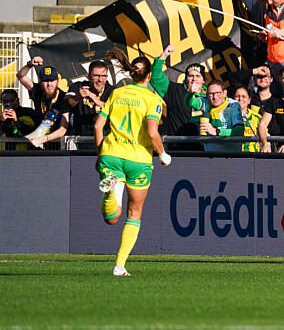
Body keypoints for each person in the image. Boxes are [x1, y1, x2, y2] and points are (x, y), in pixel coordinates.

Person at [93, 52, 171, 276]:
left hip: (111, 154)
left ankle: (110, 192)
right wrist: (163, 154)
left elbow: (98, 126)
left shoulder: (116, 93)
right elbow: (153, 133)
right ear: (149, 76)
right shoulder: (152, 99)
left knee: (112, 218)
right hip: (138, 159)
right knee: (134, 213)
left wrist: (101, 153)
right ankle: (119, 266)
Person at [149, 45, 204, 137]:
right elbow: (155, 77)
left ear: (203, 80)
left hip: (205, 143)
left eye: (198, 76)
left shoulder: (210, 94)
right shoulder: (174, 90)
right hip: (178, 143)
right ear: (185, 79)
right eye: (190, 76)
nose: (194, 79)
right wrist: (164, 55)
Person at [16, 57, 67, 149]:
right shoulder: (37, 91)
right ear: (40, 81)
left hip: (59, 145)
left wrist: (42, 139)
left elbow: (62, 130)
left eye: (52, 80)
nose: (49, 84)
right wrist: (29, 65)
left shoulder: (64, 97)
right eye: (45, 81)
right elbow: (21, 76)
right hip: (37, 143)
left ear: (57, 81)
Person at [64, 60, 113, 136]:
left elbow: (115, 111)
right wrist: (78, 97)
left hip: (105, 138)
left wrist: (96, 100)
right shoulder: (78, 86)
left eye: (103, 76)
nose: (100, 80)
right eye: (96, 76)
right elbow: (68, 103)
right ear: (89, 76)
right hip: (81, 138)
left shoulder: (113, 91)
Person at [232, 86, 261, 152]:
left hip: (253, 155)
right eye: (237, 96)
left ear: (249, 100)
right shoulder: (227, 116)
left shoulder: (257, 117)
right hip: (233, 154)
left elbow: (265, 136)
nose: (240, 99)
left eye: (244, 96)